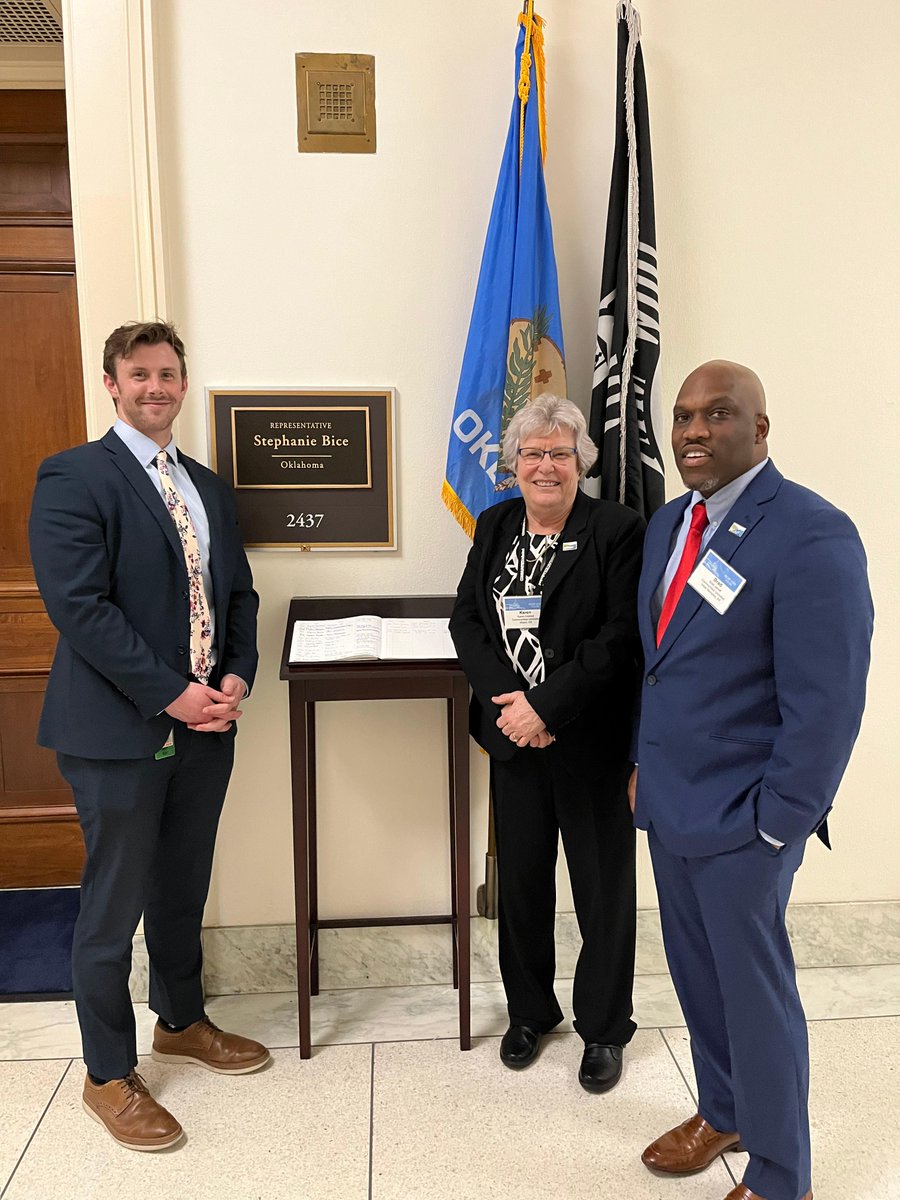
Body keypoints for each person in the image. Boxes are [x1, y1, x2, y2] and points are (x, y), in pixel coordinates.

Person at [630, 360, 873, 1200]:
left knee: (756, 996)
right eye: (684, 416)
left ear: (759, 430)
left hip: (746, 819)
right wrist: (639, 766)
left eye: (718, 414)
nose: (694, 430)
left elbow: (829, 699)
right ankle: (724, 1109)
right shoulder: (668, 526)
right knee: (699, 980)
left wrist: (781, 822)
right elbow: (658, 667)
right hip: (670, 807)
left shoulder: (811, 532)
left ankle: (780, 1175)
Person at [29, 320, 268, 1152]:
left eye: (168, 374)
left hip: (208, 728)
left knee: (181, 886)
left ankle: (181, 1021)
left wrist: (235, 674)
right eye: (140, 375)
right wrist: (174, 695)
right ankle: (105, 1074)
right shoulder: (73, 476)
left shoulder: (205, 484)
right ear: (113, 383)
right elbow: (80, 608)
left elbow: (237, 593)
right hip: (117, 730)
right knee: (112, 904)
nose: (157, 388)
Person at [450, 393, 644, 1092]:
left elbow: (619, 637)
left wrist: (545, 706)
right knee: (523, 887)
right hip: (513, 742)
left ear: (581, 461)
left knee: (602, 892)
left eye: (560, 453)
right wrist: (511, 706)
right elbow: (467, 621)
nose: (546, 466)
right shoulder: (497, 522)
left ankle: (604, 1028)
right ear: (514, 465)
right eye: (532, 454)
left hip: (589, 742)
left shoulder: (618, 529)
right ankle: (530, 1013)